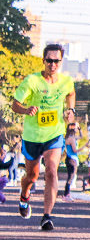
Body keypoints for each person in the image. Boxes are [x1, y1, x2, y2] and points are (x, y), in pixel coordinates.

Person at [10, 44, 77, 230]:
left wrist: (70, 110)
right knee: (31, 176)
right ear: (43, 61)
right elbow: (14, 104)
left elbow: (71, 93)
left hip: (54, 134)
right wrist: (26, 109)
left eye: (56, 61)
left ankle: (47, 216)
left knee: (52, 170)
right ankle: (24, 195)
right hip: (32, 136)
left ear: (61, 62)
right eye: (49, 60)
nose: (52, 64)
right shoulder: (32, 81)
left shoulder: (66, 81)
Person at [62, 122, 84, 198]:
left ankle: (66, 193)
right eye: (76, 128)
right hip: (72, 159)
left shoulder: (71, 137)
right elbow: (75, 150)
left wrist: (80, 129)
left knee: (71, 177)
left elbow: (81, 136)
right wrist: (83, 147)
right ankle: (66, 194)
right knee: (71, 177)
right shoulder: (71, 138)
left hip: (70, 158)